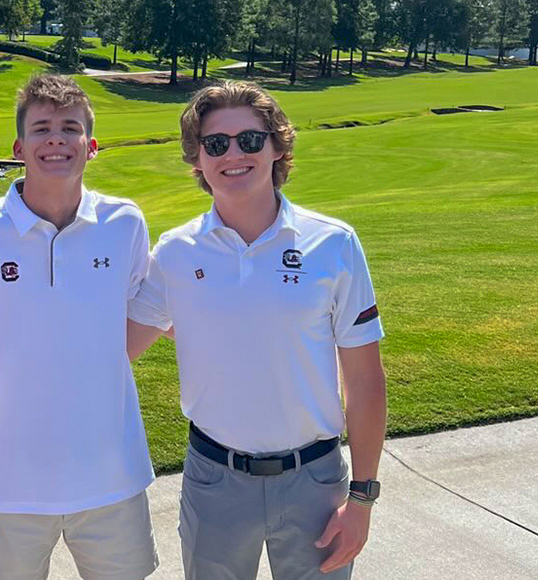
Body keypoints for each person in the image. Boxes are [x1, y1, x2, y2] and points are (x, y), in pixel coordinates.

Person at [127, 80, 388, 579]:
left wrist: (363, 499)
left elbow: (364, 378)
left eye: (250, 139)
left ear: (276, 147)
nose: (233, 154)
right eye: (215, 144)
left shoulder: (333, 244)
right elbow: (117, 346)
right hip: (213, 480)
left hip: (315, 481)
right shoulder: (176, 253)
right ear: (198, 159)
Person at [0, 73, 159, 580]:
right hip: (7, 475)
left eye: (70, 128)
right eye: (41, 128)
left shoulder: (126, 223)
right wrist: (11, 340)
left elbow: (139, 311)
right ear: (18, 146)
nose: (56, 138)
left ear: (91, 145)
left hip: (111, 469)